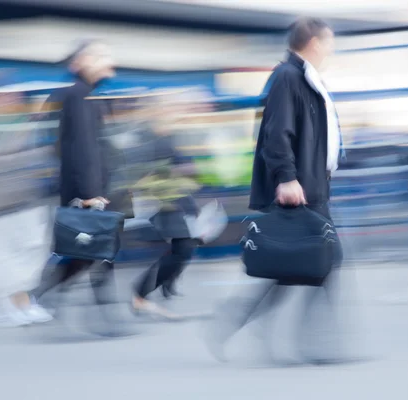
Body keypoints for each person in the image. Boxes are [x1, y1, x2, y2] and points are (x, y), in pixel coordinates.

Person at [206, 17, 345, 362]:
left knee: (301, 265)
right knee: (320, 261)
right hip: (298, 189)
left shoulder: (305, 78)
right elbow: (275, 134)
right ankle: (314, 345)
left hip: (312, 186)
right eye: (328, 42)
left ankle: (236, 323)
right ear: (313, 42)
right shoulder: (288, 77)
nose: (331, 48)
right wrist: (286, 178)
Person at [4, 40, 133, 336]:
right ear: (81, 62)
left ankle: (54, 302)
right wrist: (89, 193)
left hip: (91, 189)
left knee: (93, 252)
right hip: (88, 191)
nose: (108, 61)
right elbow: (81, 148)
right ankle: (34, 298)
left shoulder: (82, 95)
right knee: (92, 251)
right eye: (100, 56)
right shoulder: (78, 96)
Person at [130, 95, 201, 317]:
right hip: (165, 203)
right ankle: (140, 294)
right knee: (184, 248)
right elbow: (147, 173)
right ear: (156, 113)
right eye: (168, 110)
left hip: (176, 201)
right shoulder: (150, 139)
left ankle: (152, 290)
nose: (174, 114)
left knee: (184, 248)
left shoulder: (168, 136)